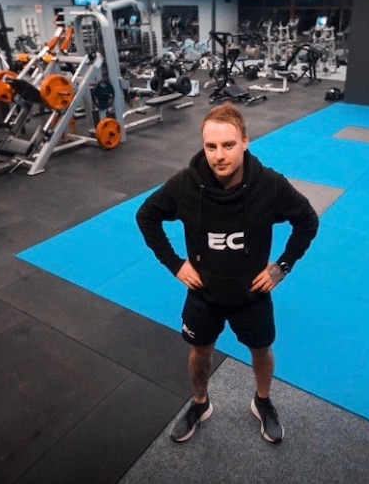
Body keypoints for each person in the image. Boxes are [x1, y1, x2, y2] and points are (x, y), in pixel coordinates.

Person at [136, 101, 318, 444]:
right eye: (211, 146)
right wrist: (174, 264)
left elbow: (307, 221)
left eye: (228, 145)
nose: (219, 155)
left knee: (261, 351)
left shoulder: (269, 186)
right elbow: (146, 216)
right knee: (199, 352)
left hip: (252, 294)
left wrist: (281, 267)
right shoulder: (184, 185)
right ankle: (200, 403)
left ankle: (262, 402)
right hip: (204, 294)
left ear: (246, 141)